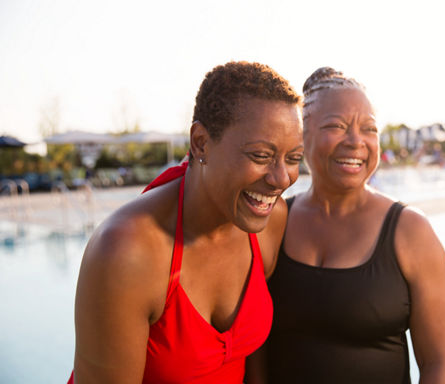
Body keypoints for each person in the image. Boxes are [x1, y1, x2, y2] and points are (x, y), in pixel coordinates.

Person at [67, 61, 304, 383]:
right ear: (201, 143)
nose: (281, 179)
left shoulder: (269, 222)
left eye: (293, 159)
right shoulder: (127, 252)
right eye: (261, 156)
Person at [264, 67, 445, 383]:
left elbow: (439, 365)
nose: (356, 141)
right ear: (301, 134)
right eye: (337, 126)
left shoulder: (411, 232)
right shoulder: (273, 222)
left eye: (369, 129)